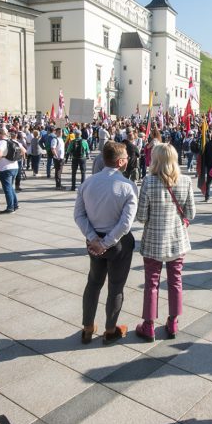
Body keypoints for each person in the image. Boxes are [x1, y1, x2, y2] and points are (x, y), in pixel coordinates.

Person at [73, 142, 137, 345]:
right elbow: (125, 224)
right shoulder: (128, 186)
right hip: (117, 243)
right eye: (126, 157)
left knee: (93, 283)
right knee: (116, 287)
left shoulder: (88, 183)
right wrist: (106, 242)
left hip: (95, 241)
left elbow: (79, 215)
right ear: (120, 162)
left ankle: (87, 327)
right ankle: (110, 330)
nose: (128, 159)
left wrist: (94, 238)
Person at [135, 144, 195, 342]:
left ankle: (149, 325)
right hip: (177, 241)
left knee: (151, 284)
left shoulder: (148, 181)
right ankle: (173, 322)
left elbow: (141, 216)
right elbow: (191, 214)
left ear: (155, 159)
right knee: (175, 281)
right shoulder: (185, 180)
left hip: (153, 240)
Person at [0, 128, 19, 214]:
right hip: (14, 166)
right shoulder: (12, 141)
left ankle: (10, 207)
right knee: (11, 187)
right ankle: (15, 204)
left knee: (7, 188)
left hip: (5, 168)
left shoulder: (1, 142)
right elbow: (23, 151)